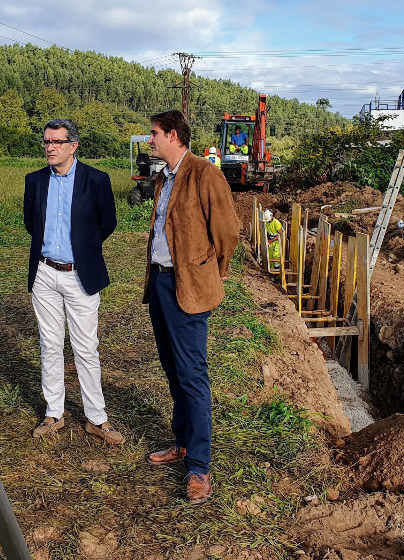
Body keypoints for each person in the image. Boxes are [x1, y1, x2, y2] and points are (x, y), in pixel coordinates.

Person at [142, 110, 239, 504]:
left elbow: (228, 232)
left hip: (190, 287)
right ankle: (181, 443)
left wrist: (210, 273)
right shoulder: (164, 177)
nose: (150, 140)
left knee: (193, 374)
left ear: (173, 135)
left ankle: (199, 466)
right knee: (173, 368)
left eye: (154, 134)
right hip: (161, 282)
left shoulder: (204, 173)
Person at [22, 119, 122, 444]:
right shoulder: (35, 181)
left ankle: (97, 419)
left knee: (86, 348)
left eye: (57, 142)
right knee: (49, 344)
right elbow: (30, 223)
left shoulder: (96, 180)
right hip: (45, 273)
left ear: (73, 146)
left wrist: (83, 248)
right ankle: (54, 414)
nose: (50, 147)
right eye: (46, 142)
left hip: (80, 275)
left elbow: (108, 223)